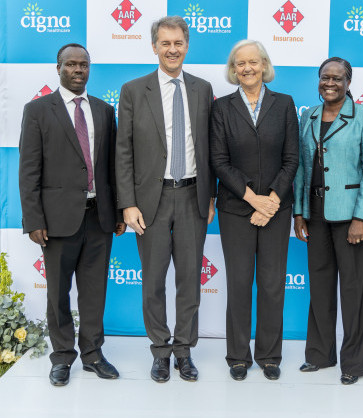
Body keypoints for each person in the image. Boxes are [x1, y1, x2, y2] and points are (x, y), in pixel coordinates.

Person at [115, 16, 215, 383]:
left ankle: (184, 350)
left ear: (187, 46)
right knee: (153, 281)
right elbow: (123, 151)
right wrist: (128, 203)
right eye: (165, 43)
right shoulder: (133, 90)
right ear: (154, 46)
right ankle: (160, 350)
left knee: (189, 281)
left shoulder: (203, 89)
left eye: (178, 43)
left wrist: (211, 195)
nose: (172, 50)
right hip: (149, 203)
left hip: (192, 196)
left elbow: (210, 148)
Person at [19, 43, 125, 386]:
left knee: (94, 292)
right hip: (56, 220)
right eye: (71, 64)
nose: (78, 70)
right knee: (58, 294)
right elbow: (29, 170)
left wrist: (119, 210)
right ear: (59, 68)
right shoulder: (37, 110)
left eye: (84, 65)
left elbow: (113, 166)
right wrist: (34, 219)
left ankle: (93, 354)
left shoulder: (104, 110)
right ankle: (62, 357)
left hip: (99, 217)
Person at [210, 40, 299, 381]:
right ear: (233, 70)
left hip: (277, 208)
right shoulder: (222, 107)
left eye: (253, 62)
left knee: (273, 284)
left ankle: (270, 356)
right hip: (236, 209)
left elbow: (292, 158)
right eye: (240, 63)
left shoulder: (284, 103)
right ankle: (237, 356)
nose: (247, 68)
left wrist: (271, 201)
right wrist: (253, 199)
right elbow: (219, 161)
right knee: (239, 283)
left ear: (264, 65)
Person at [293, 57, 363, 385]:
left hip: (350, 215)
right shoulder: (309, 115)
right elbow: (301, 167)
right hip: (315, 213)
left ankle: (354, 363)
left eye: (337, 78)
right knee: (319, 285)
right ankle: (319, 354)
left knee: (354, 289)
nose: (329, 83)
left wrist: (361, 217)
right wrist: (299, 211)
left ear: (348, 82)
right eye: (324, 77)